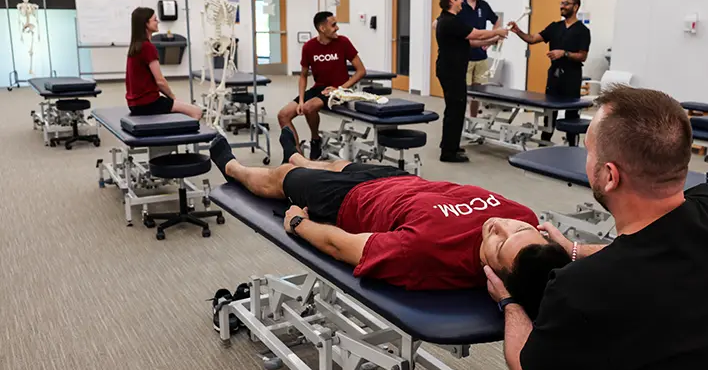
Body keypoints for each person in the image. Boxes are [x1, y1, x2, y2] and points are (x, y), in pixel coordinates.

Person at [428, 86, 708, 370]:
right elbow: (656, 246)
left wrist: (510, 303)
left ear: (610, 176)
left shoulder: (582, 289)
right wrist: (575, 249)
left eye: (589, 151)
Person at [208, 126, 570, 303]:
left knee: (281, 178)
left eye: (497, 242)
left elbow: (341, 246)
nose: (498, 224)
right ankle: (299, 157)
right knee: (338, 163)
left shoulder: (425, 254)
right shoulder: (522, 214)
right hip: (400, 181)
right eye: (517, 228)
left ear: (495, 278)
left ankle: (234, 168)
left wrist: (298, 224)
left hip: (347, 201)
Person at [277, 11, 366, 161]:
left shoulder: (343, 42)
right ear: (322, 28)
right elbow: (303, 75)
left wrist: (340, 89)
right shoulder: (309, 47)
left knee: (308, 108)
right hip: (319, 89)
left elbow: (361, 71)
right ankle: (296, 155)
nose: (337, 28)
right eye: (333, 25)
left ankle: (315, 140)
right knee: (283, 115)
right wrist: (300, 100)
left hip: (338, 91)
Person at [436, 0, 508, 162]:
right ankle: (448, 152)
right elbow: (476, 33)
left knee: (455, 109)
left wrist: (494, 39)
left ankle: (450, 144)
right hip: (451, 71)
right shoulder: (450, 21)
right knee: (455, 109)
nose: (461, 1)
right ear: (451, 0)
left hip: (452, 69)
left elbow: (470, 42)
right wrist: (496, 31)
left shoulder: (449, 20)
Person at [508, 0, 590, 146]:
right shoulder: (555, 27)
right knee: (549, 111)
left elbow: (582, 56)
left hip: (571, 76)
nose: (562, 6)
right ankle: (544, 144)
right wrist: (517, 31)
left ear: (575, 7)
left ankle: (572, 147)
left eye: (566, 3)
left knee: (571, 113)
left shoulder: (582, 31)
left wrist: (564, 53)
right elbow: (532, 39)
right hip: (554, 75)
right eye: (561, 3)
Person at [125, 7, 202, 119]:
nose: (158, 22)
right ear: (146, 23)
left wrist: (171, 101)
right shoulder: (148, 47)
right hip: (149, 104)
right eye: (155, 20)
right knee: (196, 112)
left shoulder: (135, 46)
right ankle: (186, 137)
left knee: (178, 107)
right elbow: (160, 81)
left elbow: (155, 83)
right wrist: (173, 98)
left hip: (134, 105)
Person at [458, 0, 500, 117]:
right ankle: (461, 124)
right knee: (463, 94)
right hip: (464, 57)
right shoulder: (459, 6)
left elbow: (497, 20)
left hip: (481, 58)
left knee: (479, 94)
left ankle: (473, 121)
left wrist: (493, 38)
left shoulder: (483, 5)